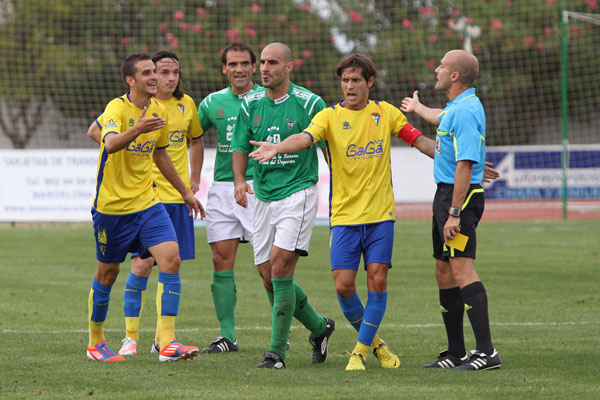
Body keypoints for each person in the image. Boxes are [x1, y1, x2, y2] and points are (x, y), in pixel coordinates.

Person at [249, 54, 438, 371]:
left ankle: (359, 353)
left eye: (356, 81)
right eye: (345, 80)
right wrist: (278, 146)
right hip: (344, 218)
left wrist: (460, 162)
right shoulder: (328, 117)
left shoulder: (385, 114)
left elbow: (420, 142)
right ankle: (379, 347)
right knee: (344, 287)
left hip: (380, 217)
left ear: (370, 83)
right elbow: (304, 137)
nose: (350, 86)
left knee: (377, 280)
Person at [86, 53, 204, 363]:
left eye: (156, 71)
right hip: (111, 208)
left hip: (148, 204)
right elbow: (109, 143)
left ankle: (167, 342)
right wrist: (137, 129)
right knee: (107, 275)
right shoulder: (117, 108)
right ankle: (95, 342)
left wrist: (186, 193)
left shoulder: (157, 111)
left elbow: (161, 156)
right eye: (148, 72)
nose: (154, 76)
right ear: (131, 80)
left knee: (171, 258)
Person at [231, 42, 334, 369]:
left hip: (298, 192)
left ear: (289, 67)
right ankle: (319, 327)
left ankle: (276, 353)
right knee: (266, 275)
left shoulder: (310, 103)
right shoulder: (249, 104)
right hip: (262, 195)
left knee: (280, 267)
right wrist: (238, 181)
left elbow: (328, 145)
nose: (263, 68)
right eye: (262, 61)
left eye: (272, 62)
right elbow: (238, 146)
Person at [400, 49, 501, 370]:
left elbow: (465, 164)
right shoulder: (457, 108)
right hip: (445, 196)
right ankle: (456, 352)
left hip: (460, 199)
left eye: (442, 65)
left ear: (455, 75)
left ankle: (486, 352)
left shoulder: (467, 111)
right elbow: (441, 119)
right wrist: (417, 109)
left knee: (461, 269)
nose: (437, 68)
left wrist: (455, 213)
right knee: (443, 272)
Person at [195, 41, 260, 354]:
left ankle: (286, 333)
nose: (239, 69)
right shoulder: (211, 102)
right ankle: (227, 336)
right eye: (232, 64)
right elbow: (192, 137)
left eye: (244, 63)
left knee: (271, 266)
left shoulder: (265, 99)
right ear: (224, 68)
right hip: (221, 188)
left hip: (259, 186)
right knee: (220, 260)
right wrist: (193, 177)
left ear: (254, 66)